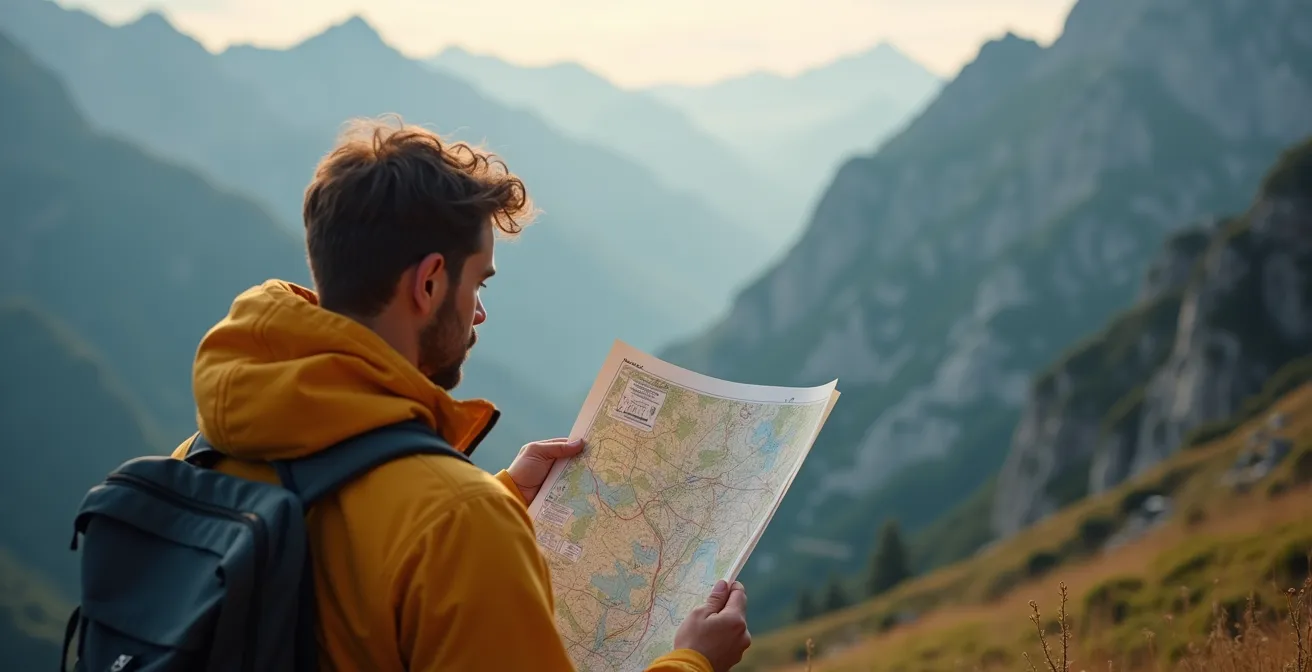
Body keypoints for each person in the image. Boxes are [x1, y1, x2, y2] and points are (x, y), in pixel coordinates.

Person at [168, 117, 752, 671]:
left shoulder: (201, 457)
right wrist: (694, 659)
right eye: (477, 282)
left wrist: (501, 499)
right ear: (427, 283)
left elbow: (337, 565)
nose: (479, 312)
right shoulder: (458, 525)